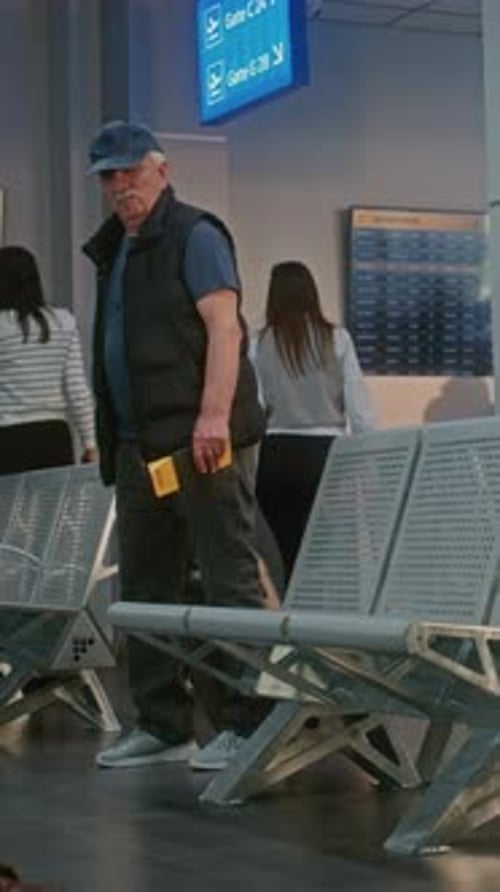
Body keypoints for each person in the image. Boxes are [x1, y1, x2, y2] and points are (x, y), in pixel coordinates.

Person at [83, 120, 268, 771]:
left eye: (131, 170)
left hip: (201, 441)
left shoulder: (196, 234)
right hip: (139, 448)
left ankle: (248, 723)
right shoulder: (117, 249)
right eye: (109, 175)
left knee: (226, 578)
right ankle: (163, 724)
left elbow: (225, 329)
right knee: (146, 587)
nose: (120, 184)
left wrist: (213, 416)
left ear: (161, 170)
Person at [253, 261, 376, 583]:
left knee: (286, 553)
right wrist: (370, 459)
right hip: (328, 454)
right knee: (331, 553)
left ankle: (291, 610)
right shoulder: (337, 338)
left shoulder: (259, 343)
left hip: (276, 454)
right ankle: (327, 610)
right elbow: (359, 409)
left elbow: (256, 408)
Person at [0, 246, 97, 473]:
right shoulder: (63, 322)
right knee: (52, 497)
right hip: (54, 436)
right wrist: (90, 444)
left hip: (6, 435)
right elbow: (77, 390)